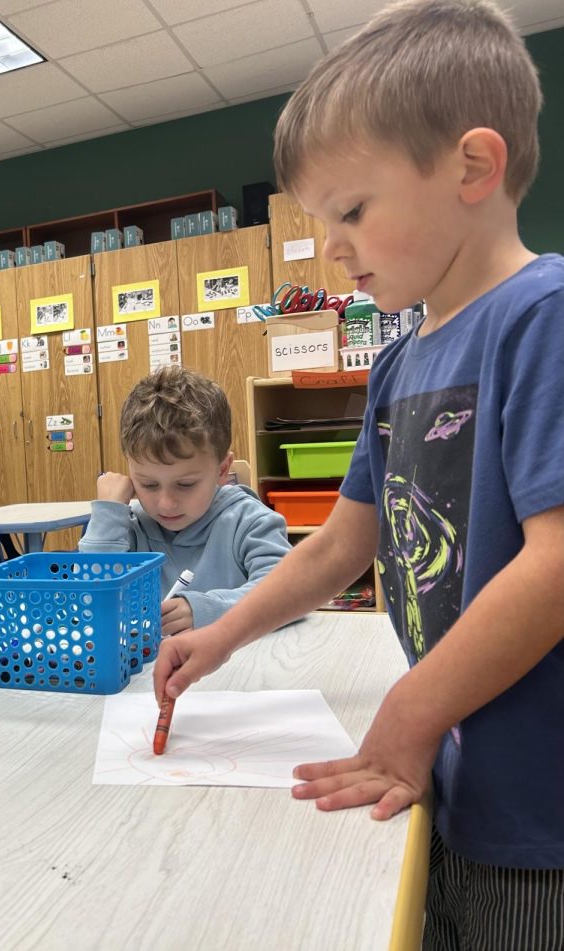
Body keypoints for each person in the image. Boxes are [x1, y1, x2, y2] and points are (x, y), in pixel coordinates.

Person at [154, 2, 564, 947]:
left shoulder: (541, 318)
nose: (331, 247)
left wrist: (411, 708)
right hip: (456, 769)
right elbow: (344, 540)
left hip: (541, 803)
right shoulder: (400, 358)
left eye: (352, 211)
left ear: (473, 167)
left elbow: (554, 563)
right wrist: (224, 635)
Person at [78, 365, 290, 635]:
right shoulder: (128, 526)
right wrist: (108, 514)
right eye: (148, 484)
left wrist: (207, 610)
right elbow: (89, 602)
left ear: (222, 470)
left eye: (185, 484)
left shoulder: (248, 522)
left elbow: (288, 594)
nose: (165, 503)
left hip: (239, 669)